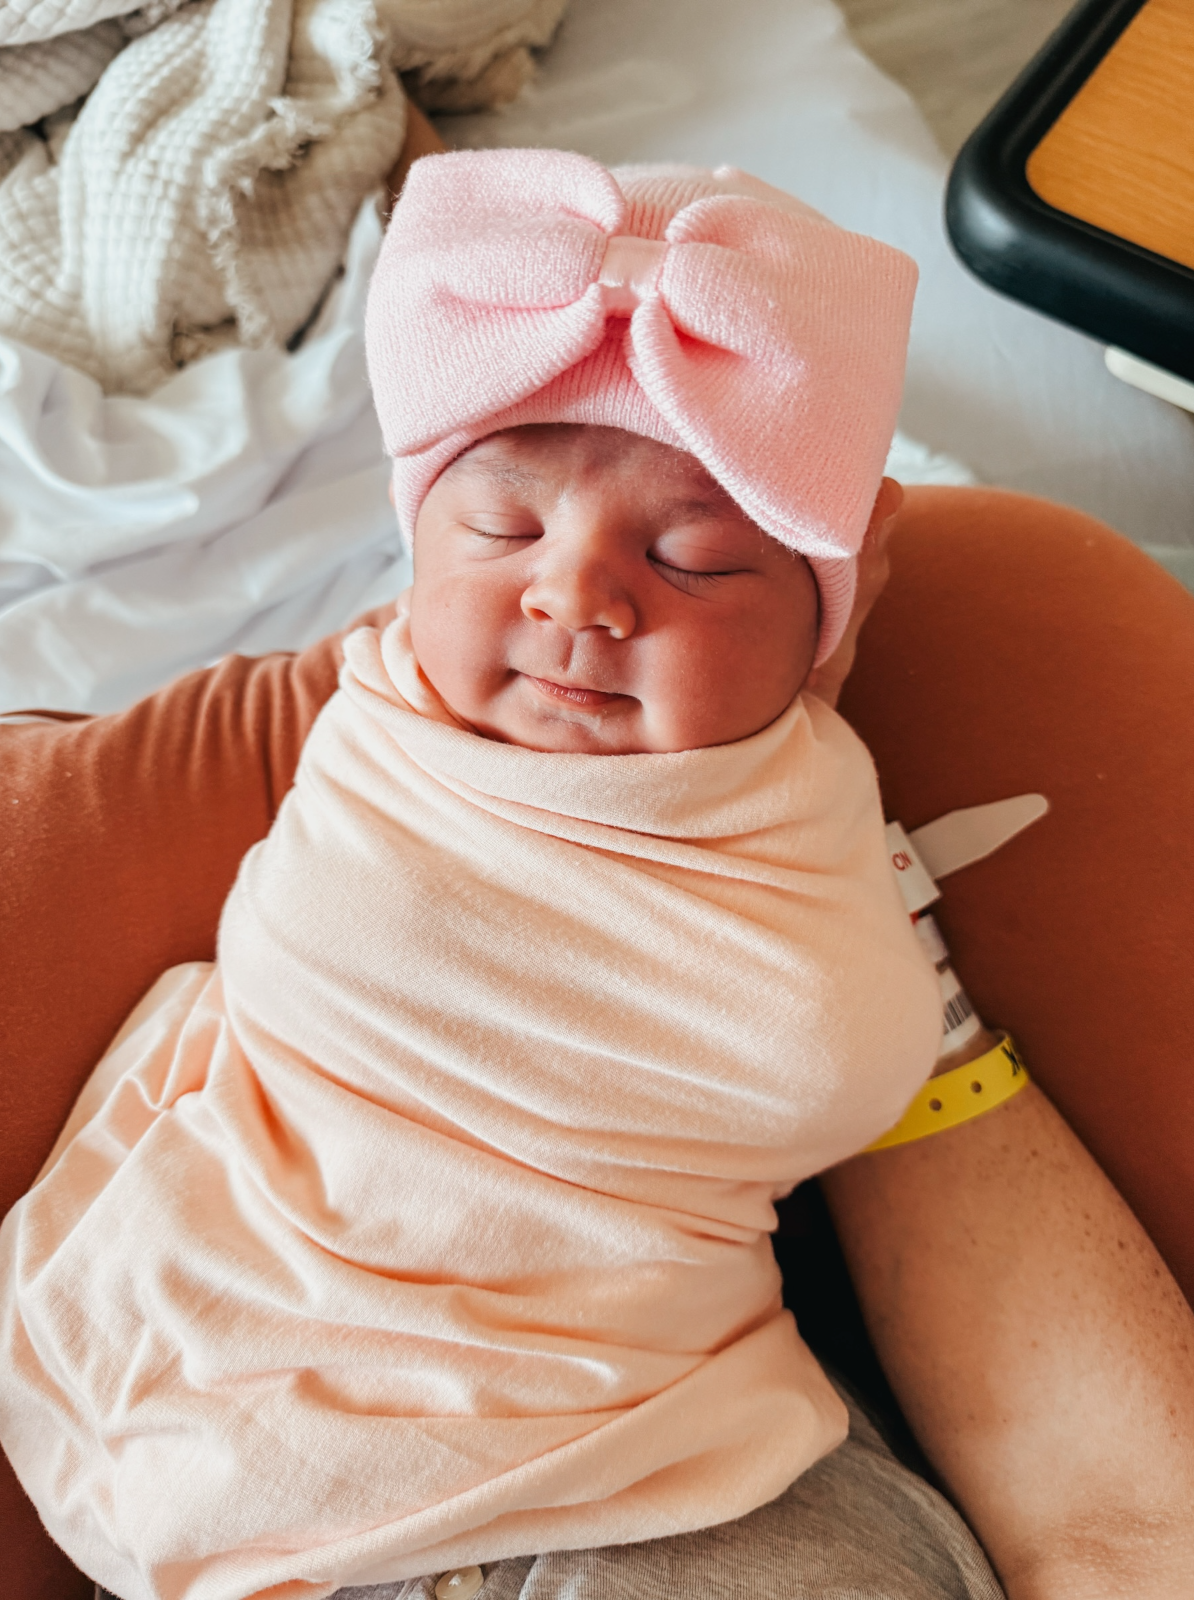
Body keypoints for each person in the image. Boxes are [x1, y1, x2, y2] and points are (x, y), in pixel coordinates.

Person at [3, 148, 1194, 1600]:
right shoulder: (384, 728)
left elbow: (832, 1060)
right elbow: (341, 957)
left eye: (692, 561)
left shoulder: (802, 810)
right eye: (502, 528)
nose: (574, 594)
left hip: (641, 1429)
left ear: (826, 613)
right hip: (266, 1356)